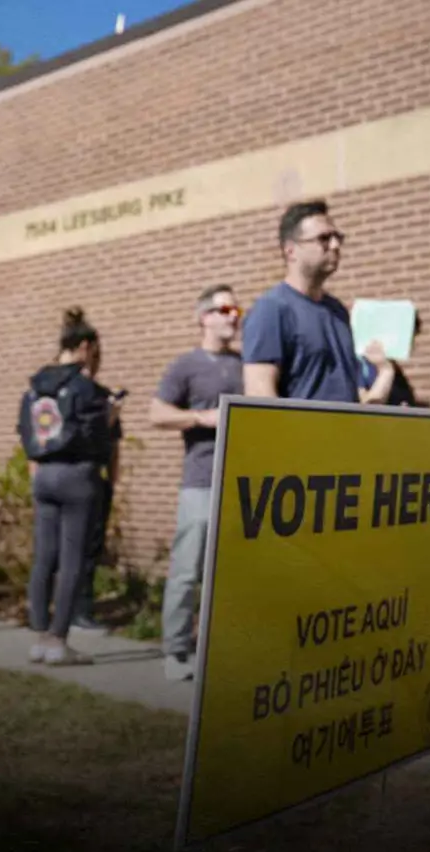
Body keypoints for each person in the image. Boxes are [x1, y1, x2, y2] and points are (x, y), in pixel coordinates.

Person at [151, 285, 245, 680]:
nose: (233, 315)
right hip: (201, 481)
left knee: (230, 576)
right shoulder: (185, 365)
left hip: (242, 484)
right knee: (188, 571)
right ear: (203, 317)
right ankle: (175, 652)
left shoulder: (247, 363)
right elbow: (157, 413)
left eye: (236, 309)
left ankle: (218, 651)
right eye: (224, 309)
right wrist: (201, 418)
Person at [17, 307, 116, 666]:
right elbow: (98, 441)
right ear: (85, 346)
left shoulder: (33, 387)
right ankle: (59, 639)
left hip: (43, 472)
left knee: (44, 556)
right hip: (77, 475)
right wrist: (109, 418)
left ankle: (40, 636)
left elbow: (25, 431)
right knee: (72, 558)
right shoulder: (85, 388)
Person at [242, 199, 392, 402]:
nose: (335, 245)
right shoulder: (272, 309)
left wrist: (385, 371)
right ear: (291, 250)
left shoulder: (338, 311)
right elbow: (260, 396)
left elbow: (353, 396)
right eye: (324, 238)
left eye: (338, 237)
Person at [71, 339, 122, 634]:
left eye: (96, 358)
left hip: (99, 478)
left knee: (92, 546)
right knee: (71, 548)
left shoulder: (105, 396)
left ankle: (83, 608)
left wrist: (113, 477)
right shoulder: (69, 395)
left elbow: (114, 440)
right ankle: (71, 610)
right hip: (77, 476)